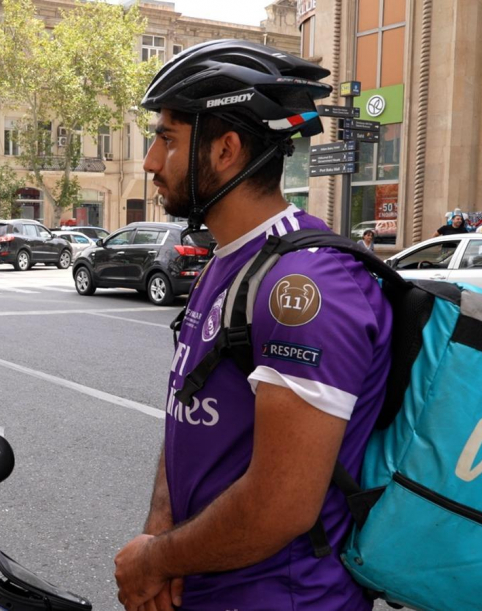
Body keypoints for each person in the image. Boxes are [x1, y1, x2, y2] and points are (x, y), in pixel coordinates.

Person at [113, 40, 392, 611]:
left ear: (226, 149)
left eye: (167, 138)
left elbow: (281, 505)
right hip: (207, 584)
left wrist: (157, 560)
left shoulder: (307, 288)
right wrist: (159, 535)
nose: (149, 161)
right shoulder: (229, 259)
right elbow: (186, 412)